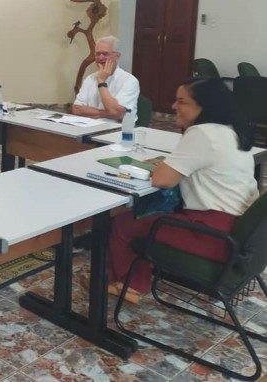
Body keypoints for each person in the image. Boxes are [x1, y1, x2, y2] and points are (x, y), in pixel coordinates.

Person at [107, 78, 258, 302]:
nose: (173, 106)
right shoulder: (231, 131)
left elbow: (162, 180)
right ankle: (135, 280)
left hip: (211, 234)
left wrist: (162, 168)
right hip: (239, 234)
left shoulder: (203, 133)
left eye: (182, 102)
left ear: (204, 106)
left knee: (123, 222)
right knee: (153, 216)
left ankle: (129, 286)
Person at [72, 35, 140, 123]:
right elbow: (76, 109)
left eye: (105, 54)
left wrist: (101, 81)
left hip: (117, 131)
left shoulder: (130, 80)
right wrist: (107, 114)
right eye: (97, 54)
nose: (100, 58)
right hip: (87, 127)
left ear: (117, 56)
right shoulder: (90, 78)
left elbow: (115, 111)